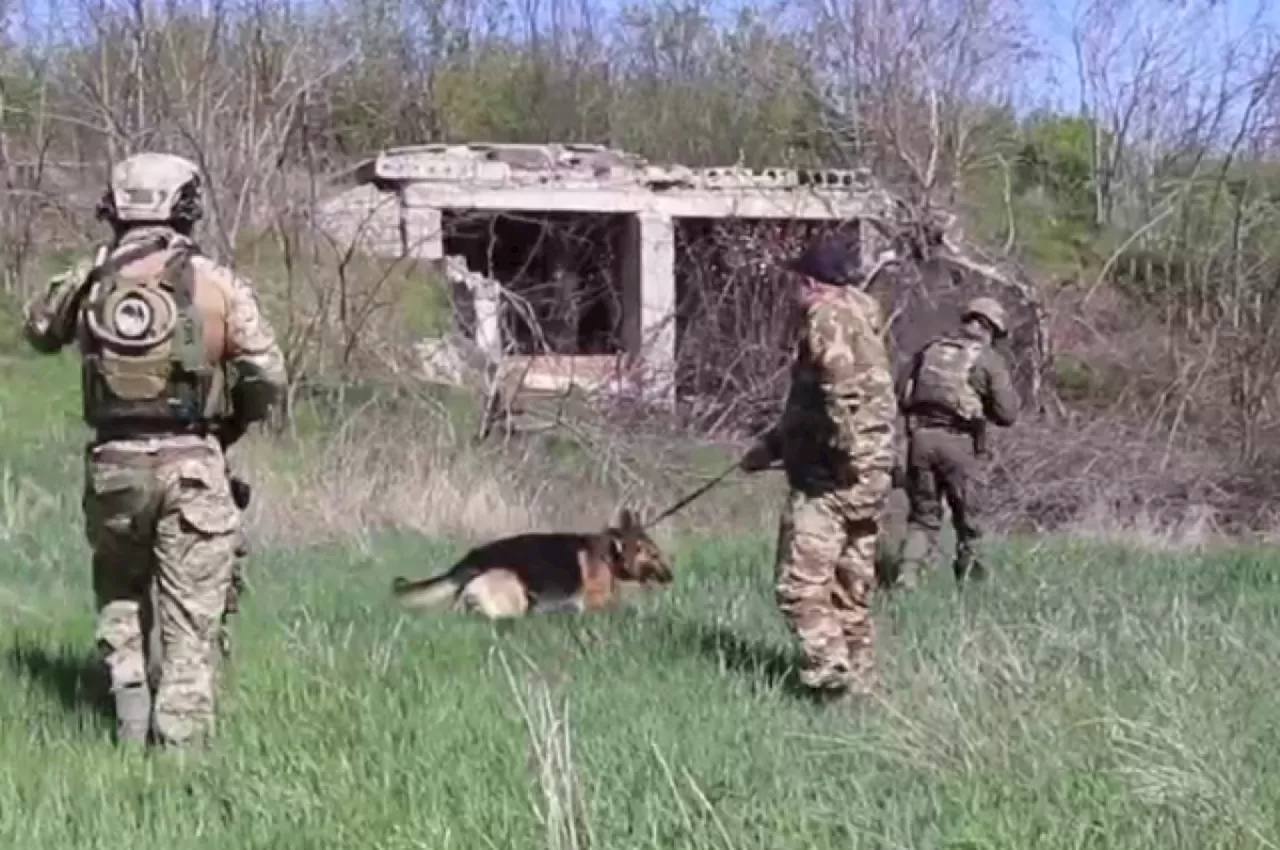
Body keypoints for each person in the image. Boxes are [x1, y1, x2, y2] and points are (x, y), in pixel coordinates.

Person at [22, 152, 287, 748]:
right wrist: (232, 426)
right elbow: (268, 374)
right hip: (193, 465)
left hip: (113, 466)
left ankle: (128, 715)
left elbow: (37, 331)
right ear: (185, 206)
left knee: (120, 594)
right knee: (191, 624)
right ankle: (179, 765)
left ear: (117, 207)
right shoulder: (216, 282)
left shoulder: (91, 279)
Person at [739, 236, 897, 702]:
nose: (793, 293)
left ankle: (831, 674)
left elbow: (839, 389)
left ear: (811, 284)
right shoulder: (861, 316)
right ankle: (864, 688)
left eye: (796, 283)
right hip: (871, 477)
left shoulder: (825, 318)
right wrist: (771, 447)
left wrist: (846, 452)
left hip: (833, 480)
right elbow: (811, 404)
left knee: (799, 587)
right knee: (850, 588)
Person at [894, 297, 1018, 590]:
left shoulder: (929, 349)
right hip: (960, 445)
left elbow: (902, 395)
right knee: (969, 521)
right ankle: (972, 587)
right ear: (991, 328)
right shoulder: (988, 360)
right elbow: (1008, 414)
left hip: (920, 441)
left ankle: (907, 575)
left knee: (923, 518)